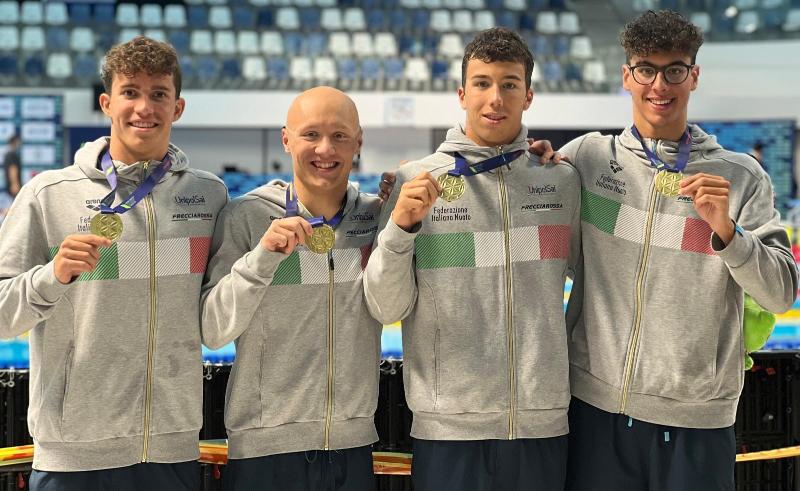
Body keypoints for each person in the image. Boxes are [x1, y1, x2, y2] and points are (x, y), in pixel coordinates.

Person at [560, 10, 798, 490]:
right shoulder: (588, 158)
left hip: (697, 420)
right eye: (645, 69)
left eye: (674, 70)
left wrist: (728, 232)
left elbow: (781, 293)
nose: (659, 85)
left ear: (694, 76)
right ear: (626, 76)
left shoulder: (741, 177)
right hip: (595, 408)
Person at [0, 36, 227, 489]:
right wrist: (52, 277)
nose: (144, 107)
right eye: (130, 92)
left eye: (158, 93)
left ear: (177, 107)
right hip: (74, 453)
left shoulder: (209, 196)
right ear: (107, 103)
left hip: (171, 449)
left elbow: (217, 310)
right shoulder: (48, 195)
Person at [364, 27, 581, 491]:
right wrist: (400, 229)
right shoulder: (413, 182)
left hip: (540, 423)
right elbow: (385, 306)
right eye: (482, 83)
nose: (495, 98)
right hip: (448, 428)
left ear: (528, 96)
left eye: (509, 84)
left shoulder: (561, 182)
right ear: (462, 94)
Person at [201, 86, 381, 490]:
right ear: (286, 139)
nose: (325, 149)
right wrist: (262, 258)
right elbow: (212, 330)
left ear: (358, 142)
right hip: (265, 450)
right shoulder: (246, 217)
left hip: (352, 446)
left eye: (339, 135)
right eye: (311, 134)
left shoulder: (376, 217)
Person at [3, 134, 21, 198]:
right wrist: (14, 184)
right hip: (13, 185)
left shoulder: (8, 153)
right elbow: (13, 169)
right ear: (15, 142)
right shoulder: (11, 154)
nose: (20, 144)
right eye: (19, 141)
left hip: (10, 184)